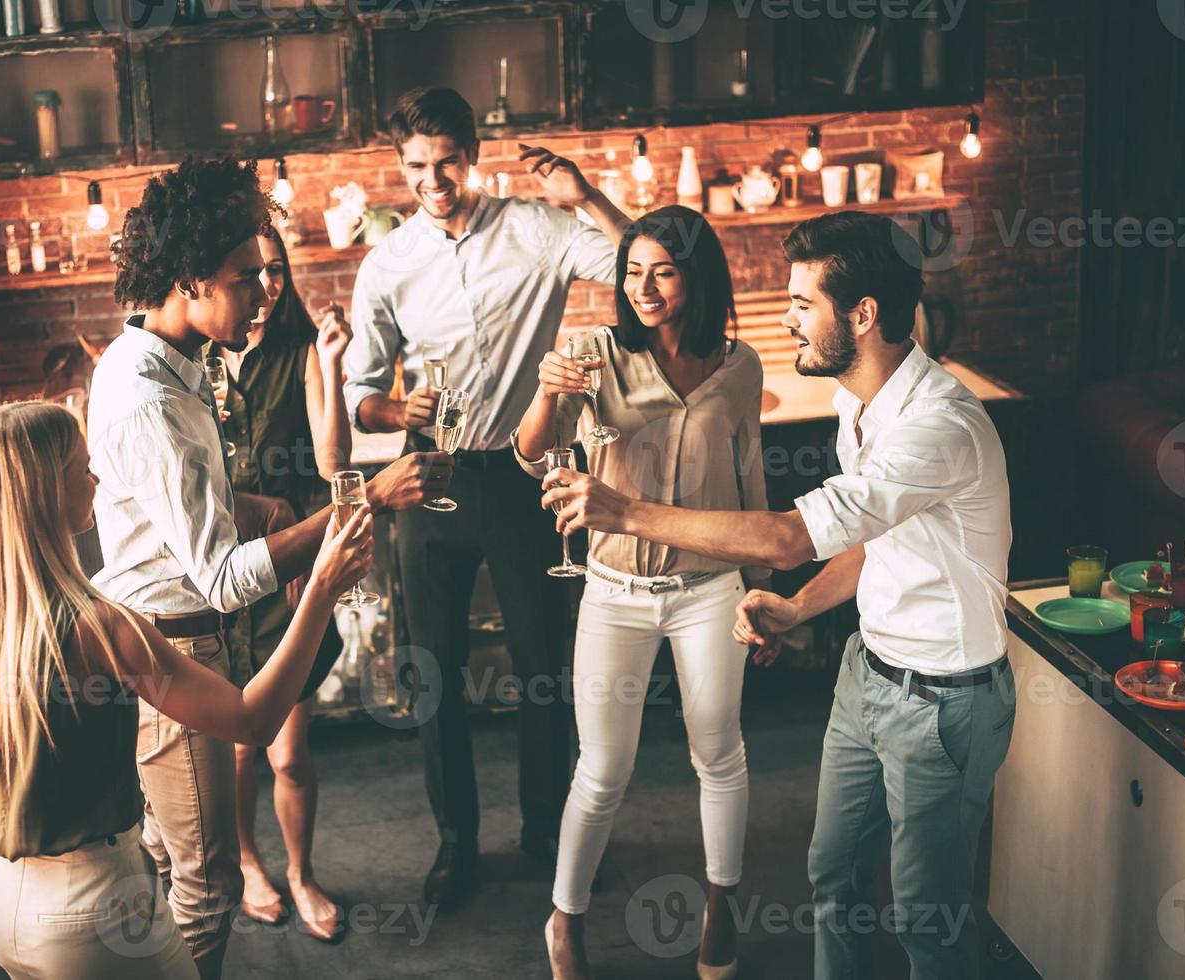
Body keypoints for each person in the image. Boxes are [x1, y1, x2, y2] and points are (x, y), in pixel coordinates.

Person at [541, 211, 1015, 980]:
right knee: (832, 882)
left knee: (927, 921)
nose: (785, 317)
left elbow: (789, 537)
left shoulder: (937, 426)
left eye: (801, 303)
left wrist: (622, 510)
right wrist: (797, 609)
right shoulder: (855, 403)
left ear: (861, 316)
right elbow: (871, 541)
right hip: (868, 673)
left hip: (943, 701)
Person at [88, 156, 450, 976]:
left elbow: (170, 513)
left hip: (172, 636)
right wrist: (368, 502)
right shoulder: (150, 400)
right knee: (205, 881)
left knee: (174, 860)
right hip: (177, 644)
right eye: (245, 277)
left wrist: (260, 510)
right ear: (189, 278)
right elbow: (218, 575)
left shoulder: (171, 367)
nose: (262, 292)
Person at [0, 401, 374, 979]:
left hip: (3, 909)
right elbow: (252, 721)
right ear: (46, 494)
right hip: (98, 914)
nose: (97, 480)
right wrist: (322, 589)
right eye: (83, 468)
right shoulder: (101, 627)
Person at [342, 87, 629, 911]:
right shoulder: (387, 264)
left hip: (519, 473)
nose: (434, 181)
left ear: (475, 151)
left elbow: (640, 266)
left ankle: (546, 830)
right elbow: (360, 391)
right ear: (400, 167)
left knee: (544, 666)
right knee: (434, 671)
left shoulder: (537, 230)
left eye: (448, 163)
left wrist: (588, 198)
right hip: (428, 472)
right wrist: (394, 410)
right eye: (417, 168)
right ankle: (455, 844)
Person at [513, 206, 767, 980]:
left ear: (696, 274)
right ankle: (564, 919)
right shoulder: (595, 353)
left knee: (718, 751)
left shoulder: (741, 365)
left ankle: (720, 909)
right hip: (615, 588)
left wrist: (761, 595)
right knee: (603, 767)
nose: (643, 286)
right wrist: (546, 391)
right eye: (632, 271)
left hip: (709, 587)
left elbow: (752, 480)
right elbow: (532, 457)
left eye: (662, 269)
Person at [214, 225, 355, 941]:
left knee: (289, 753)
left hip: (289, 569)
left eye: (276, 271)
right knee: (239, 748)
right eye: (252, 272)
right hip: (218, 572)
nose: (266, 286)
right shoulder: (200, 355)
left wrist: (329, 365)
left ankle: (300, 873)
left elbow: (334, 464)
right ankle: (247, 865)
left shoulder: (301, 349)